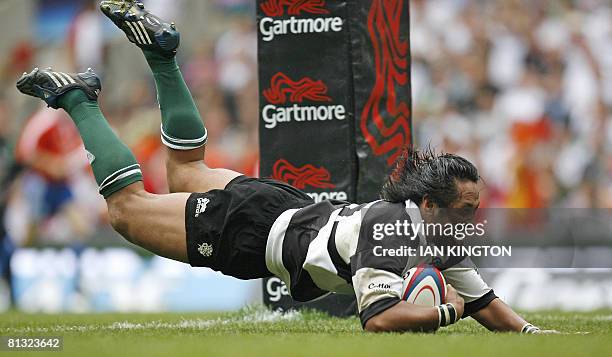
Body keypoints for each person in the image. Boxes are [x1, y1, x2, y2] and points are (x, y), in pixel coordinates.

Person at [16, 0, 544, 333]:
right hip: (254, 230)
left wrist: (528, 334)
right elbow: (379, 320)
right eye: (466, 210)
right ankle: (80, 98)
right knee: (127, 212)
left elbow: (487, 301)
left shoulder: (434, 236)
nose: (472, 221)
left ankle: (161, 56)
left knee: (183, 172)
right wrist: (446, 312)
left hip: (283, 209)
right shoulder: (389, 228)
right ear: (429, 205)